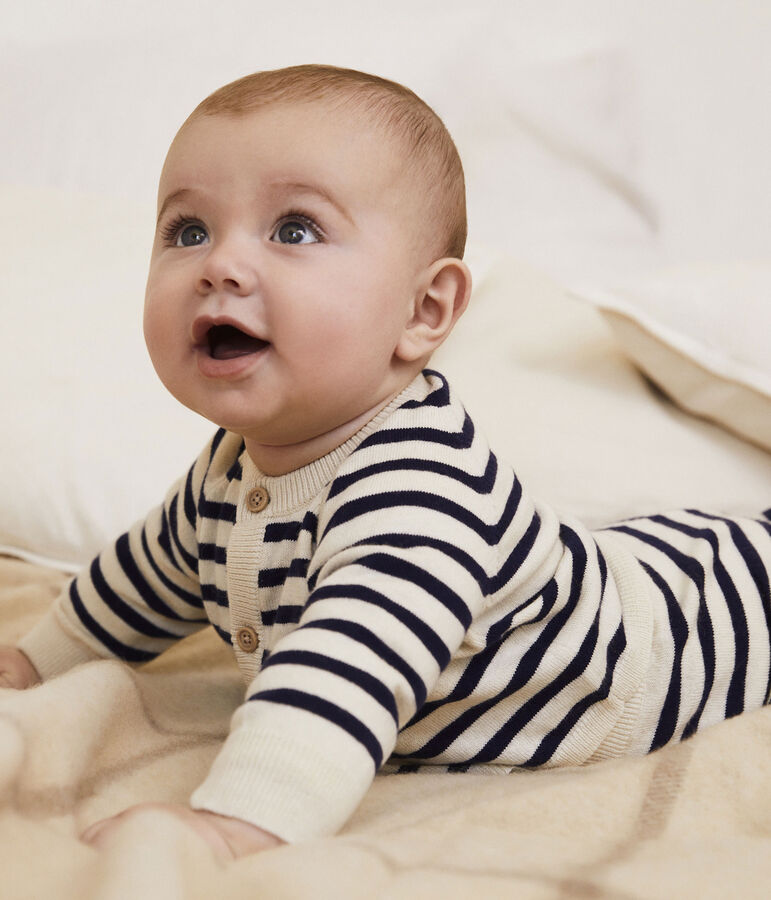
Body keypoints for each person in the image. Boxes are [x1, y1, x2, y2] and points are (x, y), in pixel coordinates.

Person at [1, 64, 769, 862]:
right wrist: (35, 659)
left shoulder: (416, 494)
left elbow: (344, 670)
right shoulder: (232, 472)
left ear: (422, 310)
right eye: (188, 230)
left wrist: (237, 822)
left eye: (294, 230)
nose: (219, 265)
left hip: (685, 643)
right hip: (625, 564)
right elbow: (148, 574)